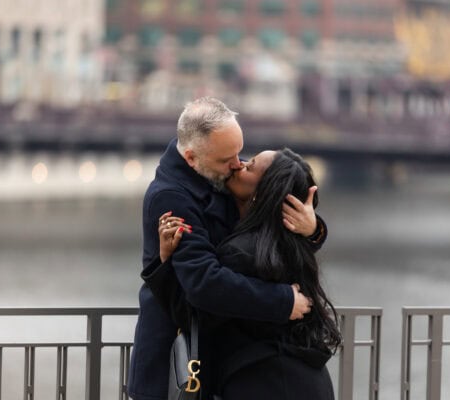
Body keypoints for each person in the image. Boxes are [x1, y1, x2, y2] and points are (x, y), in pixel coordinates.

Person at [128, 97, 327, 400]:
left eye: (239, 153)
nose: (238, 164)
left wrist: (312, 229)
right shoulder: (171, 198)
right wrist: (282, 301)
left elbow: (273, 204)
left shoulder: (218, 166)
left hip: (221, 352)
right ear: (193, 158)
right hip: (178, 353)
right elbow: (205, 282)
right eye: (228, 160)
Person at [153, 148, 341, 399]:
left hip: (264, 384)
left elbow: (194, 317)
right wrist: (315, 229)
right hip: (308, 382)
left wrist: (166, 264)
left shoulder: (242, 253)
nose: (239, 164)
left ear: (262, 192)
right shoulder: (291, 244)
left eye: (250, 166)